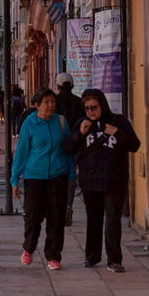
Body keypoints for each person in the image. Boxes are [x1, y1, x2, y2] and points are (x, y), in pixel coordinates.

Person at [62, 88, 141, 272]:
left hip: (115, 180)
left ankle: (114, 260)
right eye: (87, 108)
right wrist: (79, 134)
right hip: (91, 181)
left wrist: (116, 133)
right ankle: (92, 256)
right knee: (94, 219)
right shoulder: (83, 123)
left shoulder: (118, 121)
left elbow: (135, 145)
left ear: (102, 105)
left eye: (94, 107)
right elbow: (68, 148)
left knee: (113, 219)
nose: (90, 111)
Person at [10, 87, 75, 270]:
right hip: (34, 177)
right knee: (33, 216)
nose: (50, 105)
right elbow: (22, 153)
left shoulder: (61, 122)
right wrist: (15, 179)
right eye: (46, 102)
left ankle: (53, 256)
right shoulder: (29, 124)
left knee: (56, 218)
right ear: (37, 105)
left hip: (58, 176)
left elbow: (68, 152)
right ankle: (28, 248)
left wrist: (71, 175)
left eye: (52, 101)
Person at [55, 73, 85, 227]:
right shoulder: (79, 103)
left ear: (57, 86)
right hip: (74, 144)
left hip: (57, 145)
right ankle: (68, 206)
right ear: (72, 86)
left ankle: (58, 208)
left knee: (56, 175)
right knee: (71, 178)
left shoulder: (53, 102)